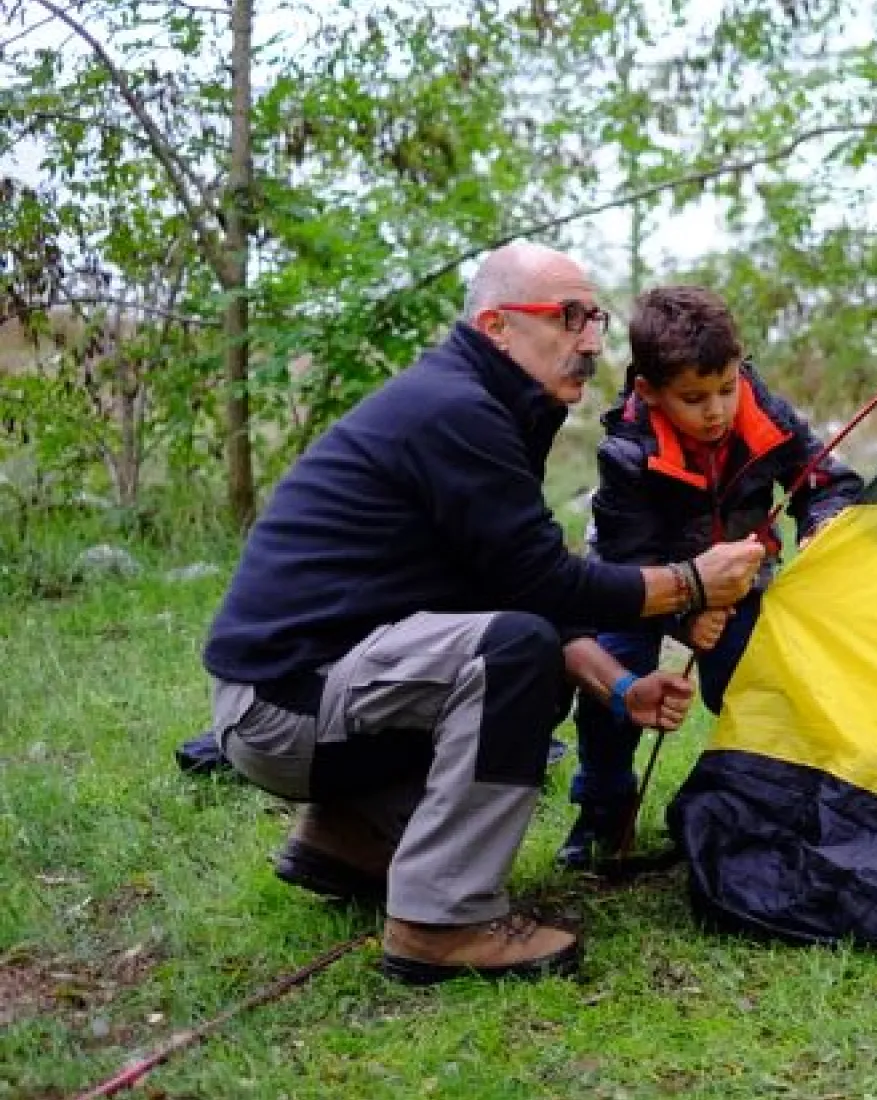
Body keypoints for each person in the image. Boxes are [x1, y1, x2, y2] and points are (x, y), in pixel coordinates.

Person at [200, 244, 766, 985]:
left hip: (303, 697)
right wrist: (688, 583)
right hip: (287, 708)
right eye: (566, 317)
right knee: (514, 655)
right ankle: (442, 922)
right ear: (497, 326)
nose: (589, 341)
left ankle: (350, 839)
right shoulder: (457, 410)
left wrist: (622, 687)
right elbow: (545, 584)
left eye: (593, 319)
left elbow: (514, 582)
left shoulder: (487, 405)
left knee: (525, 647)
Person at [557, 286, 863, 871]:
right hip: (637, 584)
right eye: (694, 398)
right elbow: (628, 561)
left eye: (726, 388)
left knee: (751, 684)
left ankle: (760, 799)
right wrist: (685, 612)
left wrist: (822, 522)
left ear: (739, 369)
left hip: (739, 582)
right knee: (613, 681)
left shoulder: (765, 415)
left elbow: (827, 481)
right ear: (649, 391)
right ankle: (604, 806)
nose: (716, 410)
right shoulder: (627, 452)